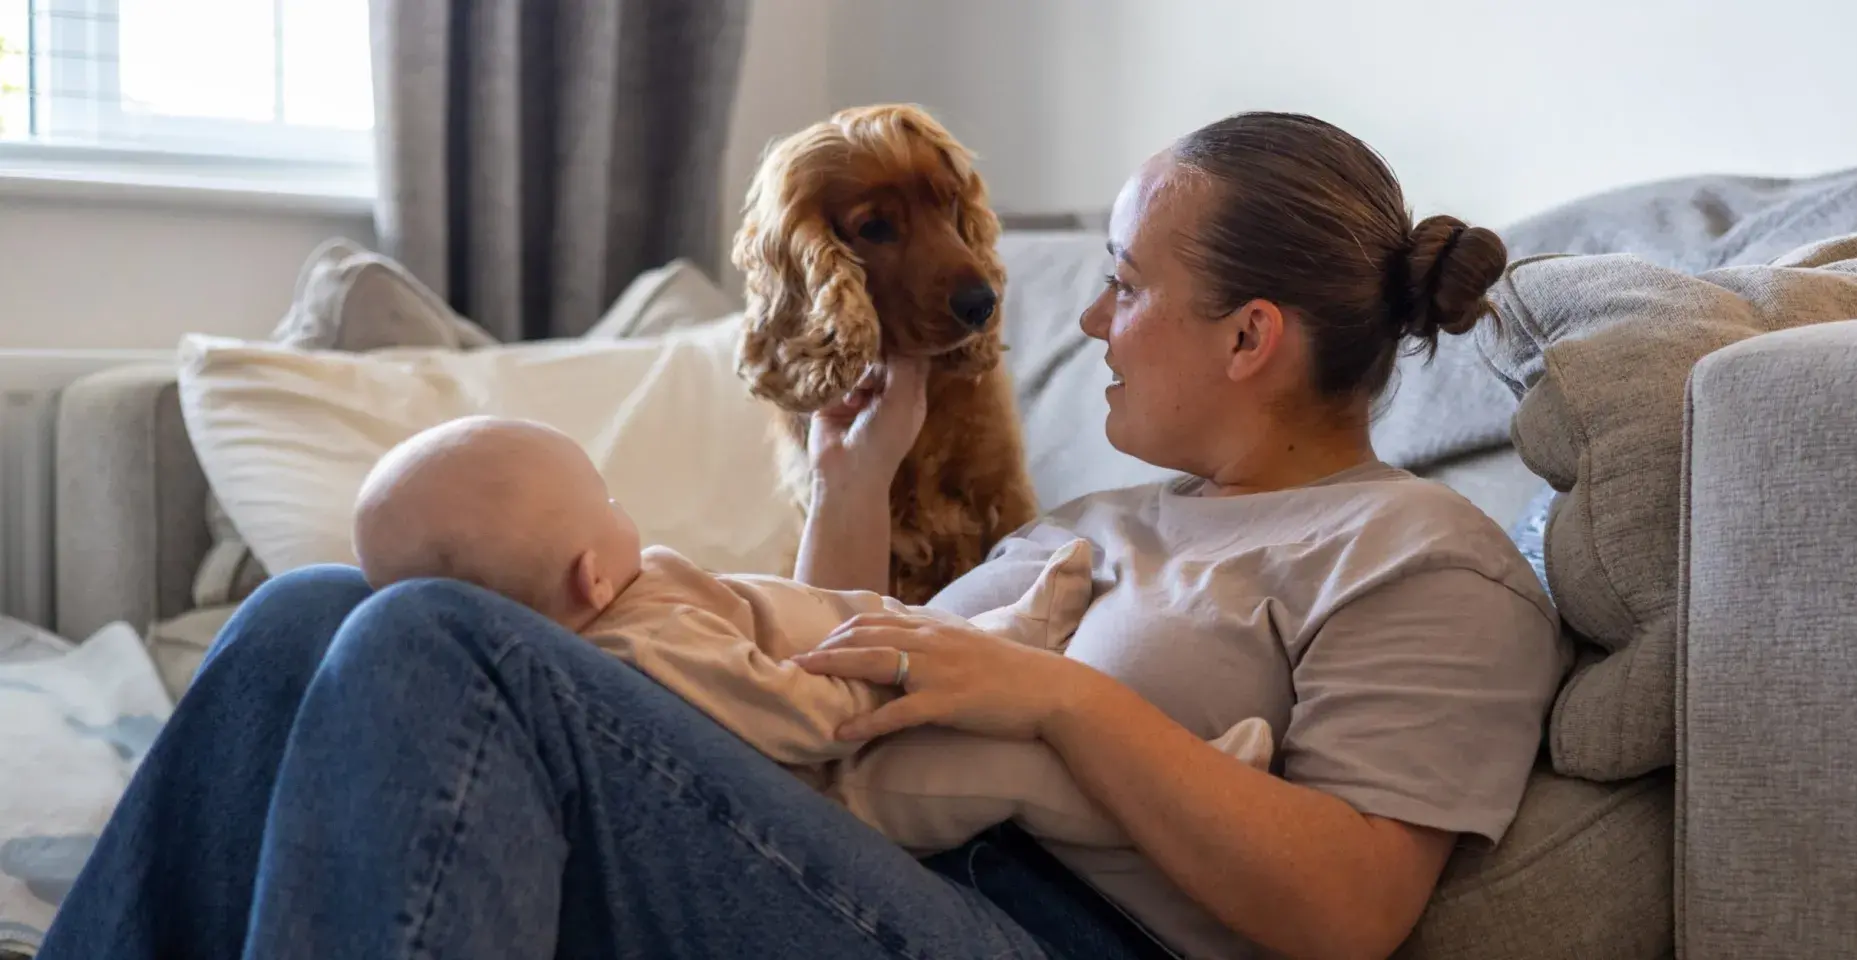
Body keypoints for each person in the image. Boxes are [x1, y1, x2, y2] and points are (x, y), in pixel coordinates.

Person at [40, 111, 1567, 960]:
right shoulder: (1110, 517)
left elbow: (1350, 910)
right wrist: (857, 486)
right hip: (870, 851)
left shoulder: (1418, 552)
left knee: (438, 637)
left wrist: (1058, 693)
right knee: (319, 609)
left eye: (1121, 282)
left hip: (1047, 933)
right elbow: (830, 702)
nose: (1085, 317)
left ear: (1249, 336)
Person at [345, 413, 1273, 853]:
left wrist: (851, 482)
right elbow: (796, 720)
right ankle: (1190, 791)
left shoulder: (637, 603)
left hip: (873, 680)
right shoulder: (646, 643)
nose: (629, 514)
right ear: (590, 574)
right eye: (611, 502)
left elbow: (800, 617)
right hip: (848, 783)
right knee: (1010, 770)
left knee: (325, 603)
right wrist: (908, 681)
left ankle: (1008, 639)